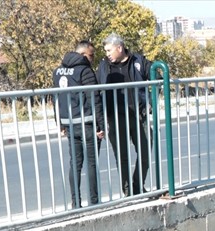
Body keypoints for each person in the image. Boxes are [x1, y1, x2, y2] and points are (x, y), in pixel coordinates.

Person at [97, 34, 152, 197]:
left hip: (139, 115)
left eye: (109, 50)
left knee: (145, 152)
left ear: (119, 48)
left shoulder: (138, 61)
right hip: (116, 117)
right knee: (122, 157)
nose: (107, 54)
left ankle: (138, 185)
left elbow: (156, 74)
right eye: (106, 51)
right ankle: (128, 190)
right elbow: (96, 89)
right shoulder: (104, 66)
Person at [53, 41, 104, 208]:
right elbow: (94, 98)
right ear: (82, 54)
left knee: (75, 163)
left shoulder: (58, 71)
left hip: (69, 123)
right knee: (91, 163)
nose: (93, 59)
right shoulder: (85, 71)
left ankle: (76, 204)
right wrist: (101, 125)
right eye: (91, 55)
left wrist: (59, 122)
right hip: (87, 123)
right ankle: (94, 202)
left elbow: (55, 98)